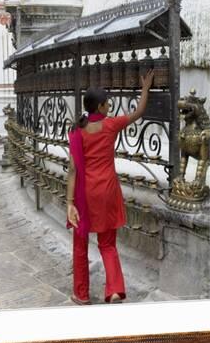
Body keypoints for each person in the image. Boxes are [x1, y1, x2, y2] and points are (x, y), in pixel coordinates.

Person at [66, 69, 154, 305]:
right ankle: (114, 290)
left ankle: (82, 294)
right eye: (108, 104)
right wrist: (145, 88)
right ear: (102, 106)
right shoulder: (111, 125)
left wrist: (69, 203)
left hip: (84, 195)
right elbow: (139, 112)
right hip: (107, 191)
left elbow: (72, 170)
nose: (110, 108)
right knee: (107, 244)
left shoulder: (76, 131)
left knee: (80, 245)